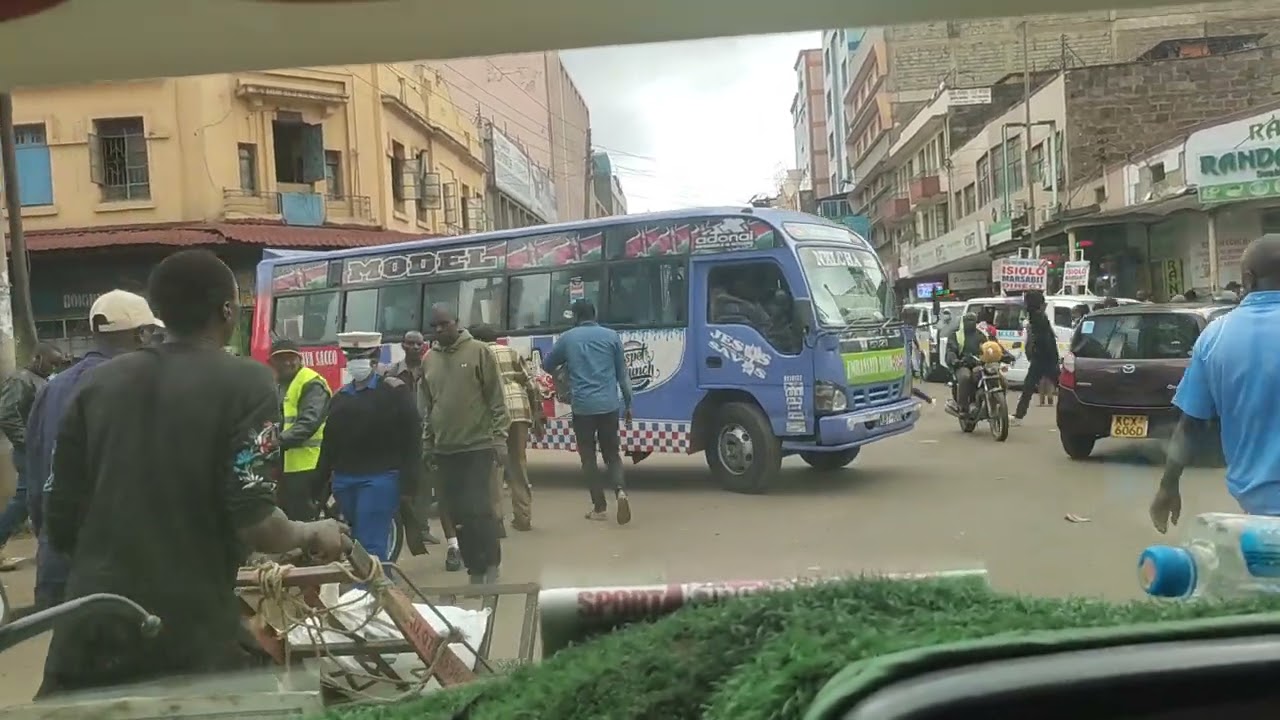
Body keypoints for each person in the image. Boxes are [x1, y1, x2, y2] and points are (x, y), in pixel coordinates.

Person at [39, 249, 349, 698]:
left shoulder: (97, 382)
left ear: (159, 311)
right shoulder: (248, 383)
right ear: (227, 310)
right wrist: (310, 531)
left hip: (90, 627)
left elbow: (57, 516)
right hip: (188, 635)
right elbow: (257, 521)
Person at [26, 292, 157, 610]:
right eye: (153, 333)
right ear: (141, 334)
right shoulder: (140, 385)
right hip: (119, 568)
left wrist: (48, 539)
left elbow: (37, 476)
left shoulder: (53, 388)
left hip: (58, 560)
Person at [1150, 237, 1280, 532]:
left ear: (1248, 279)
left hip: (1257, 508)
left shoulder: (1215, 336)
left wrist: (1168, 485)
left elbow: (1190, 424)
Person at [420, 305, 509, 584]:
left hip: (477, 445)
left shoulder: (479, 351)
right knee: (457, 513)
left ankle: (491, 564)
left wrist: (499, 439)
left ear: (457, 322)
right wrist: (427, 444)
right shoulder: (429, 360)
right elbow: (429, 408)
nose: (439, 330)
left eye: (444, 324)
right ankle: (474, 569)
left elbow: (497, 399)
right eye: (434, 326)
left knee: (479, 509)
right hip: (445, 449)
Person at [316, 331, 421, 563]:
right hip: (344, 482)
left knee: (370, 544)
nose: (356, 363)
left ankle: (376, 584)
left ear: (375, 359)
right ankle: (368, 582)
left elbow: (413, 437)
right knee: (355, 543)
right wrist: (318, 484)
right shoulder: (340, 397)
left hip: (380, 479)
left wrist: (410, 482)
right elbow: (329, 443)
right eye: (352, 358)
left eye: (361, 357)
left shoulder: (394, 392)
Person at [543, 300, 634, 525]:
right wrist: (629, 404)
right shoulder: (611, 336)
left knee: (588, 456)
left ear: (575, 317)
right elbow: (622, 375)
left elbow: (547, 364)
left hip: (583, 406)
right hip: (609, 405)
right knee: (612, 453)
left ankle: (599, 507)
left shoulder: (568, 338)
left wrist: (564, 372)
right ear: (595, 314)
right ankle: (620, 491)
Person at [470, 324, 545, 532]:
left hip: (493, 414)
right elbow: (532, 385)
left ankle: (496, 521)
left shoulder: (476, 354)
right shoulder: (512, 352)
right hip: (519, 410)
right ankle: (523, 518)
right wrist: (537, 414)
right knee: (518, 463)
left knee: (494, 466)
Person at [379, 330, 442, 550]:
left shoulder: (432, 370)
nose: (415, 347)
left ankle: (421, 530)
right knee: (398, 484)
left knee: (424, 483)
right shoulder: (392, 372)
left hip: (425, 434)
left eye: (419, 344)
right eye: (410, 343)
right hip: (400, 435)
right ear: (403, 345)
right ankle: (396, 529)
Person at [0, 342, 64, 555]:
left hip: (42, 448)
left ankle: (47, 546)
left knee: (39, 496)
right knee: (25, 498)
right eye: (51, 363)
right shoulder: (21, 380)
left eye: (57, 364)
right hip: (28, 450)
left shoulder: (43, 380)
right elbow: (7, 415)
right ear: (37, 358)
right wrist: (28, 442)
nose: (54, 368)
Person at [268, 339, 331, 522]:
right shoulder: (280, 384)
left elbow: (309, 422)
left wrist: (279, 440)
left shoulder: (311, 383)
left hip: (310, 463)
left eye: (291, 358)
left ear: (299, 359)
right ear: (272, 362)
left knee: (302, 520)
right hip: (287, 464)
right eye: (281, 359)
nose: (287, 362)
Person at [1013, 290, 1059, 424]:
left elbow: (1043, 340)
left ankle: (1019, 416)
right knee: (1030, 387)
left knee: (1029, 387)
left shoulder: (1037, 318)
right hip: (1046, 357)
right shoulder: (1038, 316)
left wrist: (1035, 351)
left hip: (1043, 358)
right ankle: (1018, 415)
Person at [945, 313, 989, 416]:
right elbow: (951, 350)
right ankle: (963, 408)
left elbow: (991, 346)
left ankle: (994, 403)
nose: (970, 322)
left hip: (978, 364)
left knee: (996, 375)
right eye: (968, 320)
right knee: (965, 377)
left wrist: (1005, 354)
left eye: (973, 320)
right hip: (962, 364)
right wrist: (955, 360)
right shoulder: (956, 335)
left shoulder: (981, 335)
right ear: (963, 322)